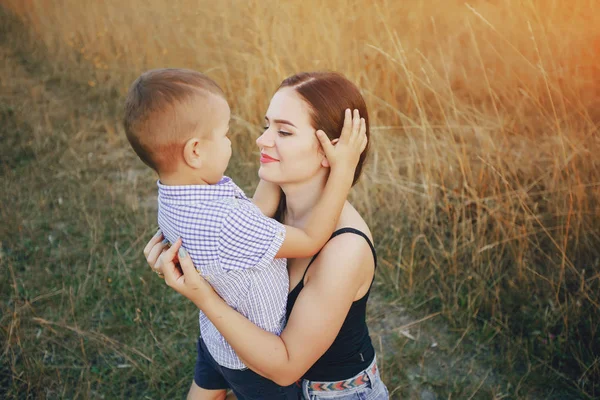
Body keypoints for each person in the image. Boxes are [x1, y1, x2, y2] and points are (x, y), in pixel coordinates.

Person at [124, 68, 366, 399]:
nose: (260, 139)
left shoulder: (345, 249)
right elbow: (235, 234)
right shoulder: (254, 213)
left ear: (331, 151)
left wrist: (203, 295)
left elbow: (285, 368)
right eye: (267, 126)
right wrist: (185, 264)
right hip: (233, 348)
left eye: (283, 132)